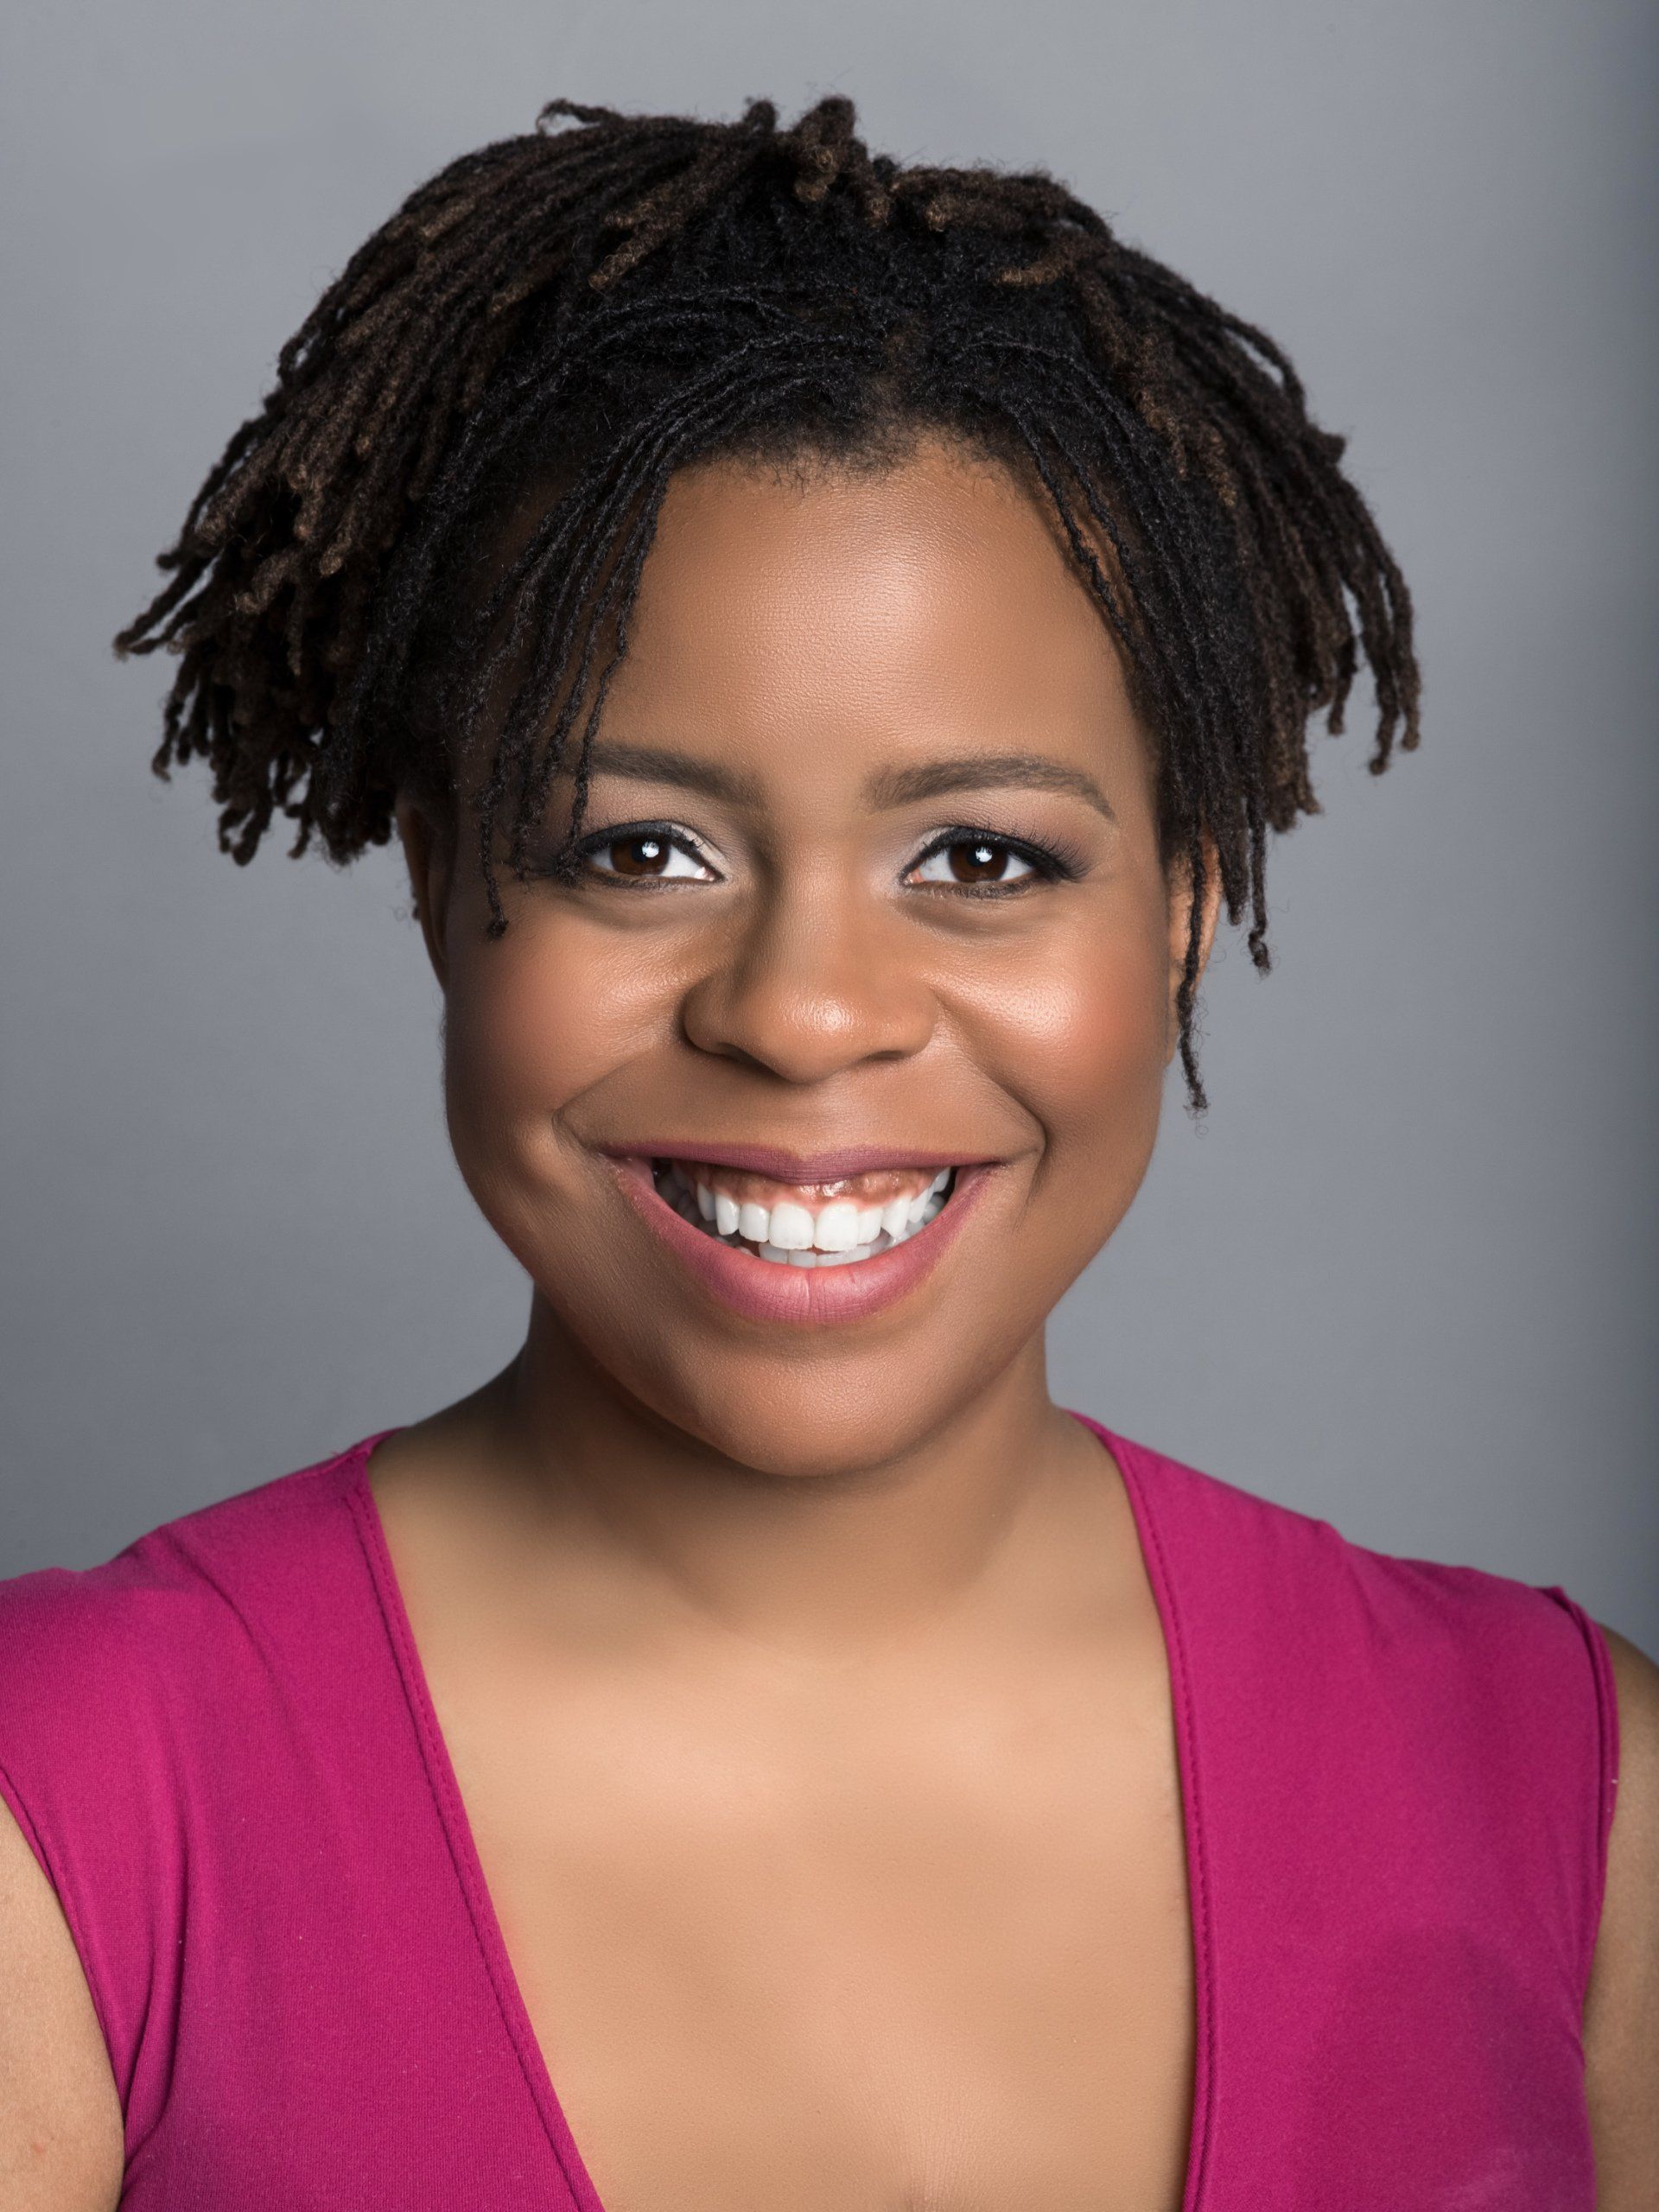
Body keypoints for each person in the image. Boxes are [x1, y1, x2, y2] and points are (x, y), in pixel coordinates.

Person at [0, 93, 1653, 2212]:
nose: (799, 1009)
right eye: (637, 846)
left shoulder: (1572, 1802)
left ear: (1183, 904)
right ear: (434, 883)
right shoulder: (72, 1819)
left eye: (979, 852)